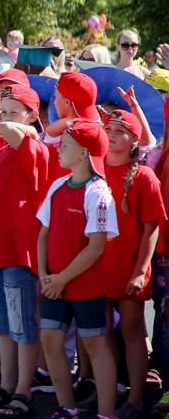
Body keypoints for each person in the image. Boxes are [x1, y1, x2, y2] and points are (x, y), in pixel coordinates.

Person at [0, 83, 50, 416]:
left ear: (32, 116)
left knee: (23, 326)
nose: (5, 119)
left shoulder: (35, 147)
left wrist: (5, 116)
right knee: (4, 325)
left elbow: (7, 129)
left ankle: (24, 391)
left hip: (21, 250)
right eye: (3, 111)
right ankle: (7, 387)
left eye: (15, 112)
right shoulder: (1, 152)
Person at [37, 120, 118, 419]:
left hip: (83, 284)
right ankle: (66, 408)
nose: (60, 149)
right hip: (54, 282)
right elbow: (43, 233)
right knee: (49, 339)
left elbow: (95, 248)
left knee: (95, 345)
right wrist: (45, 274)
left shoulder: (98, 192)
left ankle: (107, 414)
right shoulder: (58, 185)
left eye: (66, 146)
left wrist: (60, 279)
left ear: (84, 153)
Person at [96, 110, 164, 418]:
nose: (110, 134)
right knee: (99, 333)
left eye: (119, 131)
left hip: (128, 268)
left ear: (135, 140)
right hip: (96, 267)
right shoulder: (93, 168)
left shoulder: (143, 175)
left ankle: (136, 399)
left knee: (133, 332)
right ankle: (108, 394)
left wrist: (139, 271)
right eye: (107, 128)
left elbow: (152, 227)